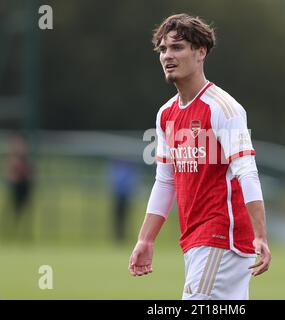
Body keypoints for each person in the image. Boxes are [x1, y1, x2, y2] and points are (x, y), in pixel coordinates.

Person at [128, 14, 271, 300]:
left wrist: (260, 235)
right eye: (163, 49)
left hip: (221, 238)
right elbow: (165, 181)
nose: (168, 56)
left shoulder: (224, 108)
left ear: (201, 52)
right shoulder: (166, 114)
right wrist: (146, 238)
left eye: (177, 47)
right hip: (195, 241)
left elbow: (247, 171)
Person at [108, 158, 139, 243]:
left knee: (124, 218)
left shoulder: (124, 171)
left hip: (125, 197)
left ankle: (122, 236)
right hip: (118, 197)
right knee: (118, 218)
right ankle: (118, 236)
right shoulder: (120, 171)